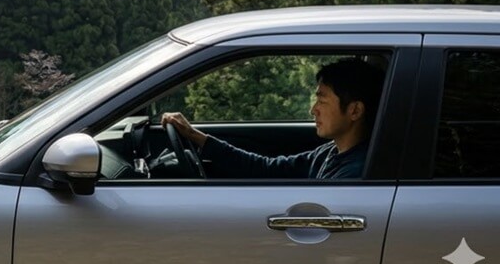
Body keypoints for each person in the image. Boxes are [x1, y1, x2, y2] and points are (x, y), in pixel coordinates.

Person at [160, 58, 385, 180]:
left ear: (355, 111)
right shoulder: (329, 153)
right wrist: (195, 137)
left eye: (322, 101)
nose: (313, 110)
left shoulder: (355, 174)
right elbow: (266, 169)